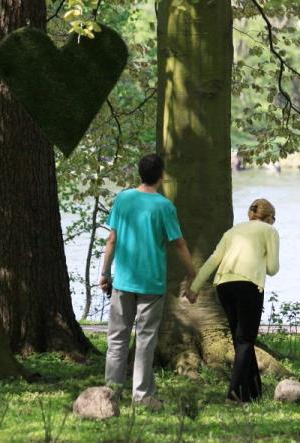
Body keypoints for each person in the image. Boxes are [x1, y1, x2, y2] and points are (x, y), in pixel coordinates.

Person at [100, 153, 196, 410]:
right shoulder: (164, 206)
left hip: (124, 282)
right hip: (151, 284)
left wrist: (104, 273)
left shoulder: (123, 199)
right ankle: (141, 396)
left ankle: (111, 393)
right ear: (161, 175)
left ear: (139, 173)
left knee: (117, 339)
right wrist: (192, 273)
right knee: (145, 340)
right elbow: (178, 243)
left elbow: (111, 240)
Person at [184, 199, 279, 402]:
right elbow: (272, 268)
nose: (274, 222)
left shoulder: (232, 232)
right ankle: (234, 394)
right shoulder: (269, 231)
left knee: (241, 340)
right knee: (245, 340)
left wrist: (194, 288)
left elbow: (212, 260)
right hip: (248, 285)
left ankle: (253, 390)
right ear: (269, 217)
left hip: (224, 285)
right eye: (274, 218)